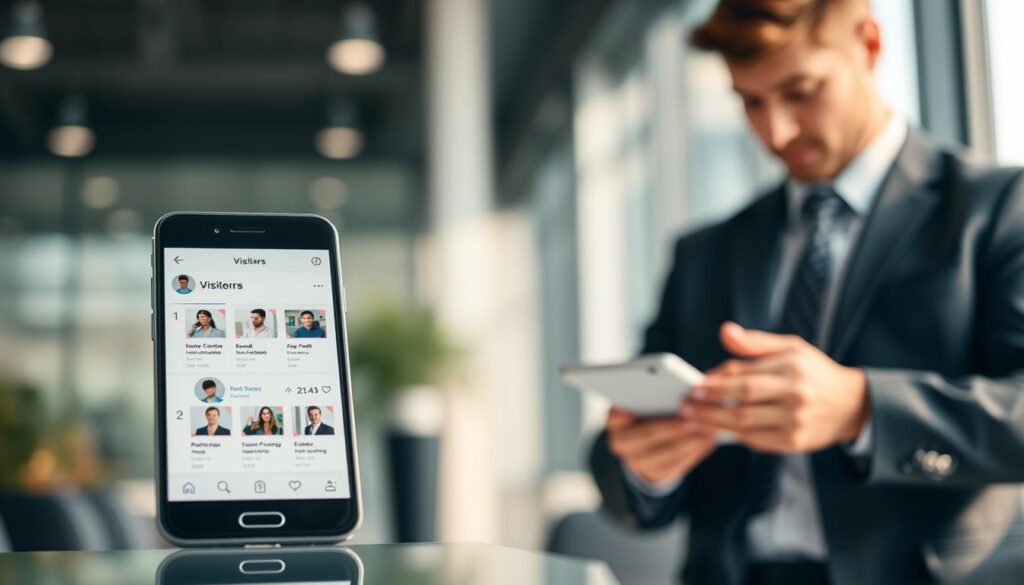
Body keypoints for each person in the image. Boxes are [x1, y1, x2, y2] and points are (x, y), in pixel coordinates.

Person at [589, 2, 1024, 584]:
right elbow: (613, 456)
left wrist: (862, 409)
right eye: (750, 102)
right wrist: (646, 468)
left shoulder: (1000, 210)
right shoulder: (704, 255)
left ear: (869, 44)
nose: (777, 132)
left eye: (801, 91)